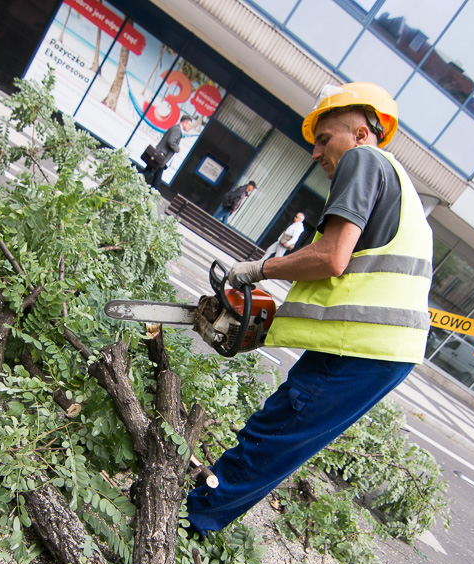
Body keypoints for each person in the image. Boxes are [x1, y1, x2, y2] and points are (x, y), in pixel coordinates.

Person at [185, 82, 433, 535]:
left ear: (361, 134)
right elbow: (349, 275)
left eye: (324, 139)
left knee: (277, 430)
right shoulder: (398, 181)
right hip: (380, 348)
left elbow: (331, 258)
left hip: (361, 346)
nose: (315, 153)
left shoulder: (363, 160)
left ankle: (190, 519)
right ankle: (207, 514)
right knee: (286, 439)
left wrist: (257, 270)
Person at [143, 115, 193, 188]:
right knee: (149, 175)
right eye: (189, 125)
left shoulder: (175, 128)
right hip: (161, 157)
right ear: (184, 122)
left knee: (156, 179)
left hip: (161, 158)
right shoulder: (177, 130)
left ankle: (149, 191)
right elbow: (171, 141)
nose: (189, 127)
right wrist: (178, 149)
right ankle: (137, 185)